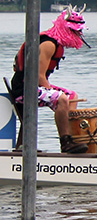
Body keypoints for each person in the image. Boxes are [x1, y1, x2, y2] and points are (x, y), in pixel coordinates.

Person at [9, 9, 89, 153]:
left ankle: (72, 137)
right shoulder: (49, 44)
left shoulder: (56, 44)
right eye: (75, 32)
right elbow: (39, 76)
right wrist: (55, 94)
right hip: (24, 89)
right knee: (61, 98)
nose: (79, 35)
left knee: (72, 96)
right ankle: (65, 142)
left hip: (33, 86)